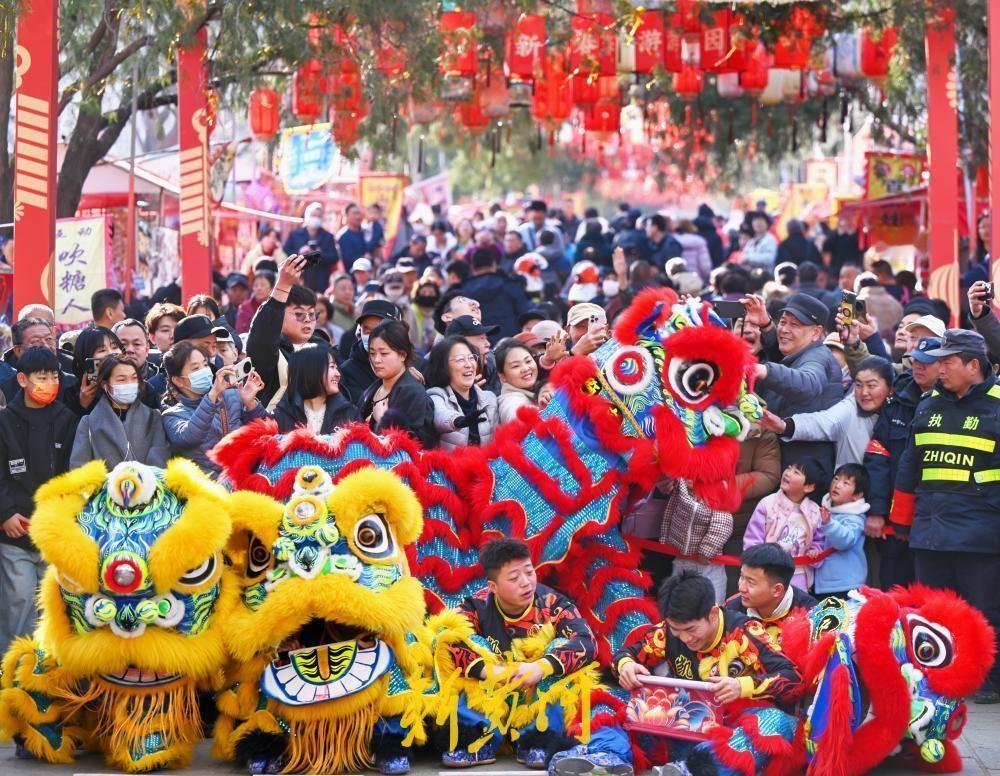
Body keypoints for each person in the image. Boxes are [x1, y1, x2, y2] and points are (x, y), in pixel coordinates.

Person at [441, 538, 629, 772]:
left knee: (560, 646)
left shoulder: (553, 604)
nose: (526, 582)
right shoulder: (475, 606)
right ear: (493, 587)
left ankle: (538, 739)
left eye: (529, 572)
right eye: (514, 578)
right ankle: (477, 738)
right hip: (494, 692)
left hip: (536, 693)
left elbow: (587, 642)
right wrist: (489, 670)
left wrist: (541, 667)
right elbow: (447, 640)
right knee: (465, 643)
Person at [889, 329, 1000, 704]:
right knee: (933, 611)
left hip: (982, 530)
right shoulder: (929, 404)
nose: (941, 369)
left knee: (985, 611)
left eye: (948, 362)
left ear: (973, 365)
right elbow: (910, 465)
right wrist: (902, 522)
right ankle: (936, 673)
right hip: (931, 530)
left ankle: (989, 679)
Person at [614, 573, 801, 775]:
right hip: (679, 727)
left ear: (712, 613)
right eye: (676, 630)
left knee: (776, 721)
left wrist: (741, 686)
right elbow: (625, 654)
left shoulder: (745, 632)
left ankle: (691, 770)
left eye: (691, 629)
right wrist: (626, 666)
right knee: (605, 698)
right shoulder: (666, 632)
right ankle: (609, 758)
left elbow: (794, 679)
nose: (684, 638)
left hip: (731, 729)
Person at [0, 347, 78, 655]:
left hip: (53, 531)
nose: (49, 383)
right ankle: (14, 668)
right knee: (18, 602)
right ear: (22, 380)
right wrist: (5, 513)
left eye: (54, 377)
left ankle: (50, 668)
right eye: (41, 378)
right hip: (14, 531)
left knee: (53, 605)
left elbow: (71, 473)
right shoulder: (5, 421)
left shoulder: (66, 419)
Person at [863, 337, 940, 590]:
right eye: (916, 361)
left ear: (943, 365)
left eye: (927, 362)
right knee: (893, 592)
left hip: (935, 521)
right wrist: (876, 510)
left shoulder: (953, 403)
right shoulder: (897, 400)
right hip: (895, 521)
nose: (919, 367)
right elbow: (877, 457)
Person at [747, 293, 843, 473]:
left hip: (805, 469)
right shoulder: (800, 350)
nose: (784, 329)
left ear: (816, 332)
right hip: (786, 459)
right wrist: (766, 325)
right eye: (783, 322)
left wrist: (764, 370)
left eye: (795, 325)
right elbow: (781, 357)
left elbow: (808, 383)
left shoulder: (818, 357)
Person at [759, 356, 894, 470]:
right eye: (858, 385)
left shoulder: (900, 413)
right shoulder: (850, 408)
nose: (864, 392)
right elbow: (823, 422)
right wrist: (784, 426)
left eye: (871, 386)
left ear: (890, 389)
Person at [161, 340, 267, 477]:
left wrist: (250, 403)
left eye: (205, 364)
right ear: (178, 380)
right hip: (208, 485)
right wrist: (213, 394)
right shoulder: (172, 415)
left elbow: (265, 430)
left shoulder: (232, 395)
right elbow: (190, 437)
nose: (204, 370)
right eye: (196, 368)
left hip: (246, 478)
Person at [246, 255, 325, 411]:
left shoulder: (324, 350)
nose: (307, 319)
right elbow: (263, 334)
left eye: (312, 314)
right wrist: (283, 284)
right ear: (279, 317)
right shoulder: (271, 354)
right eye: (299, 314)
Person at [69, 354, 169, 468]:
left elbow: (160, 460)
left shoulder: (153, 417)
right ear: (105, 385)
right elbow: (80, 467)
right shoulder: (89, 423)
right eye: (121, 379)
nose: (129, 384)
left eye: (134, 378)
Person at [743, 459, 825, 591]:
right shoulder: (767, 504)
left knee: (796, 603)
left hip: (799, 573)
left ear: (809, 487)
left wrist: (815, 552)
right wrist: (756, 566)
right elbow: (753, 539)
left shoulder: (815, 511)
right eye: (789, 468)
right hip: (768, 573)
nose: (788, 473)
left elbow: (819, 540)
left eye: (796, 472)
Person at [359, 319, 435, 447]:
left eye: (384, 353)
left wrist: (383, 420)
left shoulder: (413, 393)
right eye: (372, 353)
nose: (376, 360)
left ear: (402, 355)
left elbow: (416, 444)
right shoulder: (374, 388)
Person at [727, 543, 817, 644]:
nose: (741, 588)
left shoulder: (810, 616)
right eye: (741, 577)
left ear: (777, 590)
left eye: (751, 582)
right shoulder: (730, 609)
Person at [426, 336, 499, 451]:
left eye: (471, 358)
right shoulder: (436, 395)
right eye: (460, 360)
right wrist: (457, 421)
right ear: (443, 366)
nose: (468, 364)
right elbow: (440, 415)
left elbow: (497, 440)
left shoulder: (489, 398)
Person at [273, 343, 360, 434]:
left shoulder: (349, 414)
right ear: (311, 370)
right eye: (332, 367)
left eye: (336, 368)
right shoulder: (284, 414)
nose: (338, 374)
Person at [812, 463, 869, 599]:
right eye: (836, 479)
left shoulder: (855, 518)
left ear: (857, 495)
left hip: (846, 585)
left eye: (846, 483)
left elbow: (845, 541)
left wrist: (829, 524)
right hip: (823, 584)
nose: (837, 485)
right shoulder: (824, 511)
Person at [459, 248, 531, 340]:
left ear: (472, 267)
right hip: (511, 341)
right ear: (494, 264)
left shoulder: (463, 290)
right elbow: (524, 314)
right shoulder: (509, 284)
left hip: (478, 342)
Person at [66, 326, 124, 416]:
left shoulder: (133, 382)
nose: (111, 353)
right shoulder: (72, 393)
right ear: (86, 356)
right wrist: (82, 404)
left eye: (114, 347)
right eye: (102, 350)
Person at [283, 202, 340, 292]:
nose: (316, 218)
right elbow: (286, 251)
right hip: (299, 278)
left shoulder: (328, 236)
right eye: (313, 215)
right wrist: (300, 253)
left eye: (319, 216)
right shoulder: (295, 234)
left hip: (320, 280)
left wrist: (319, 254)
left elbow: (334, 257)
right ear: (307, 216)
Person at [495, 339, 539, 424]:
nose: (525, 368)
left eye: (528, 361)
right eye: (515, 366)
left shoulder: (539, 389)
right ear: (502, 376)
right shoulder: (512, 403)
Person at [236, 269, 275, 334]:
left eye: (263, 285)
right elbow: (240, 332)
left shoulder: (277, 307)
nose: (259, 288)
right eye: (256, 285)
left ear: (272, 288)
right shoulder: (244, 307)